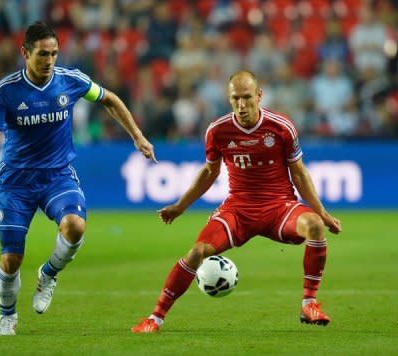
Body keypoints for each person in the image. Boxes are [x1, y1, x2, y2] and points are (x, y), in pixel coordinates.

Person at [0, 21, 156, 336]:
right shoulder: (6, 90)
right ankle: (7, 315)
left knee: (75, 226)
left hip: (57, 175)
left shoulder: (70, 81)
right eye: (42, 54)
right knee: (11, 258)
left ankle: (48, 274)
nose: (49, 61)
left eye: (54, 53)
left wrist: (137, 137)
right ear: (25, 53)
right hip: (15, 182)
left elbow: (109, 99)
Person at [131, 70, 342, 333]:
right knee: (197, 252)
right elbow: (209, 173)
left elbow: (299, 172)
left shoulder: (281, 127)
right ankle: (155, 318)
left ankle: (309, 304)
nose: (241, 105)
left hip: (278, 207)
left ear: (259, 95)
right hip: (238, 210)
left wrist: (321, 212)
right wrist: (180, 206)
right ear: (228, 99)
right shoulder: (218, 131)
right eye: (235, 99)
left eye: (247, 98)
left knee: (314, 227)